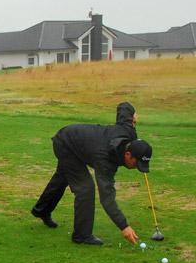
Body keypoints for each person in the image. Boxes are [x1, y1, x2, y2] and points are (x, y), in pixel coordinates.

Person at [31, 102, 150, 245]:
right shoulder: (104, 159)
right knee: (85, 188)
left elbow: (124, 106)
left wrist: (133, 117)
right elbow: (107, 198)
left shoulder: (129, 132)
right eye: (137, 163)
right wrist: (124, 226)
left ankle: (42, 210)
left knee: (62, 177)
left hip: (78, 141)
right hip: (66, 144)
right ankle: (81, 235)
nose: (137, 168)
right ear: (128, 154)